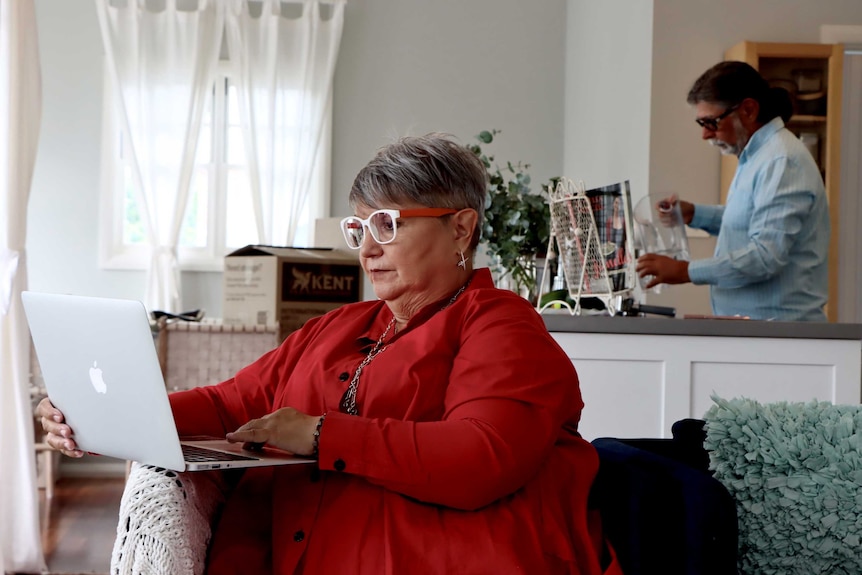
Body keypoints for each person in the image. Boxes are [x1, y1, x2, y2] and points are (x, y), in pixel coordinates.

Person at [36, 134, 620, 575]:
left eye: (387, 225)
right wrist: (102, 419)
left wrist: (320, 435)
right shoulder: (336, 327)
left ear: (461, 229)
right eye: (357, 228)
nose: (366, 249)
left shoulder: (500, 324)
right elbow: (229, 404)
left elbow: (482, 457)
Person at [636, 60, 830, 321]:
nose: (705, 135)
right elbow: (752, 222)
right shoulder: (756, 156)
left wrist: (685, 271)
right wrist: (695, 214)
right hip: (757, 330)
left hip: (780, 334)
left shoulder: (781, 161)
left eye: (710, 122)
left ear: (748, 110)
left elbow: (765, 256)